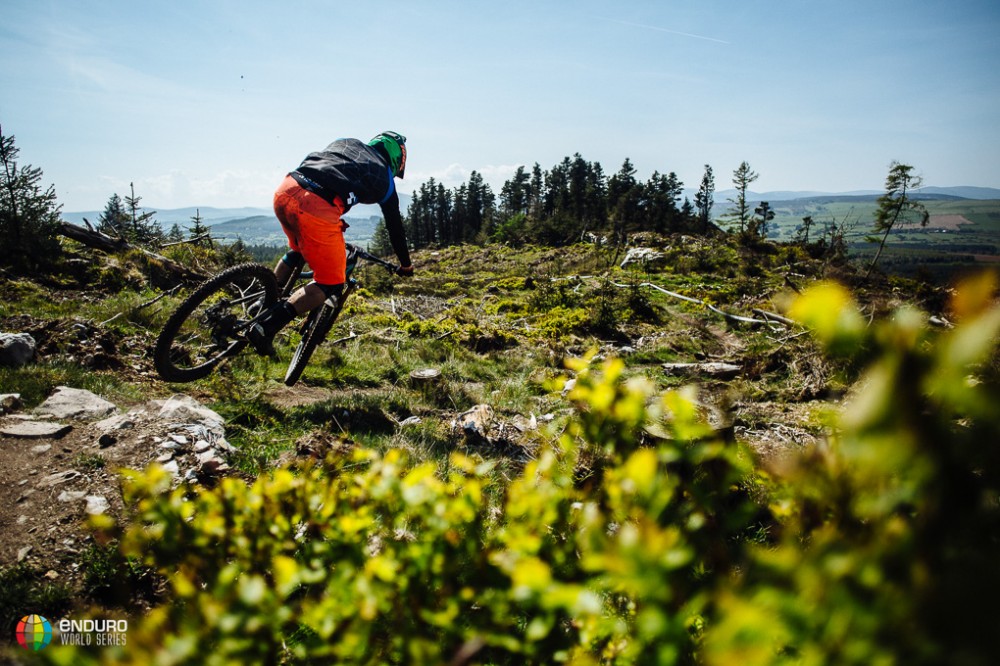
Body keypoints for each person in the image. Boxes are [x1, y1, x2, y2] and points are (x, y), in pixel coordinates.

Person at [248, 131, 414, 355]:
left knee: (299, 249)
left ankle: (262, 302)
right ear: (396, 159)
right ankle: (266, 327)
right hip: (317, 207)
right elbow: (395, 228)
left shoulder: (347, 142)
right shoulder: (384, 178)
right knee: (332, 283)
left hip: (286, 189)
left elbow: (327, 172)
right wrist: (406, 265)